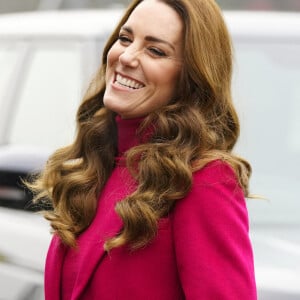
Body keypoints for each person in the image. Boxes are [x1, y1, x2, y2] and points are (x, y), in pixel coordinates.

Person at [30, 0, 257, 299]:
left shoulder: (206, 179)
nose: (127, 56)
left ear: (190, 79)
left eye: (156, 51)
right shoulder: (95, 166)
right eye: (125, 38)